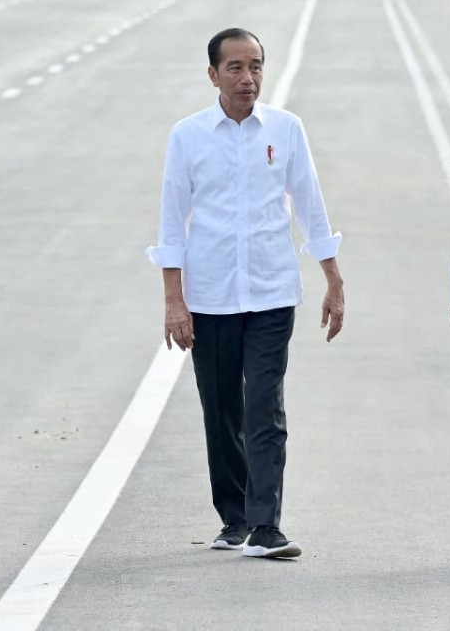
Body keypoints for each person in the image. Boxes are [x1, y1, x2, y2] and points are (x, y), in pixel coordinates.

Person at [148, 28, 345, 560]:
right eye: (234, 67)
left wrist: (333, 278)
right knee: (221, 412)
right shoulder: (188, 136)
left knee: (264, 408)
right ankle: (233, 517)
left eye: (255, 65)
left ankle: (266, 527)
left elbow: (310, 204)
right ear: (213, 75)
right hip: (210, 297)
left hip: (271, 291)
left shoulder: (285, 129)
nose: (247, 77)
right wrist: (174, 300)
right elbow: (172, 222)